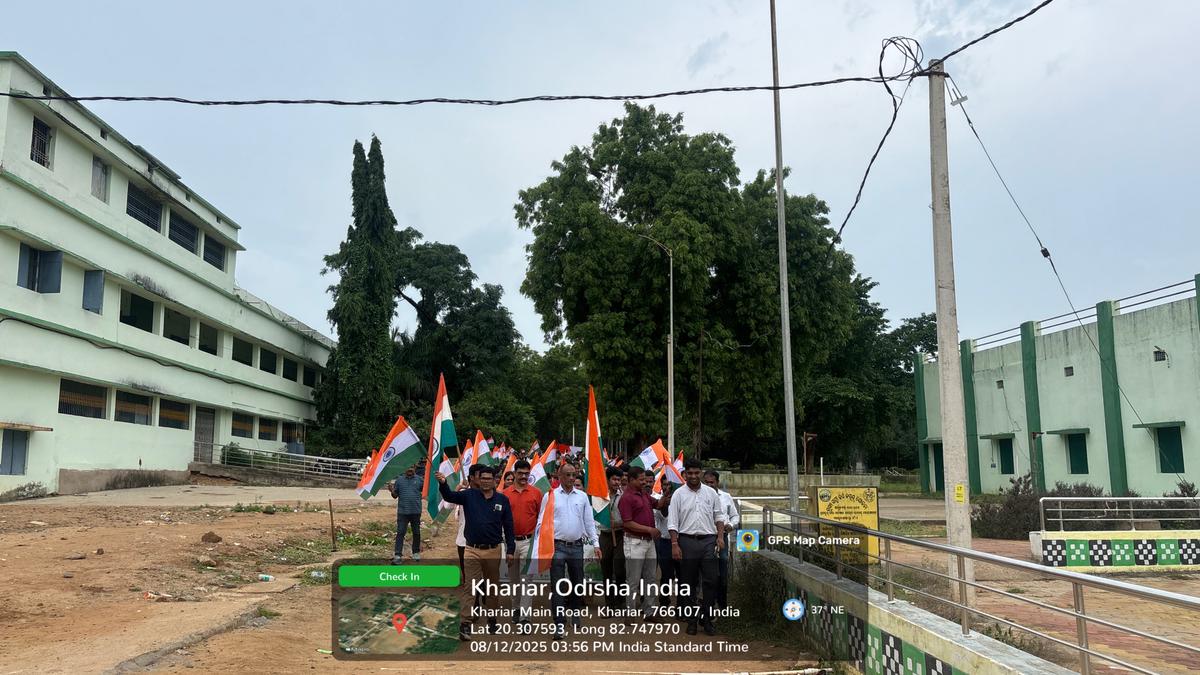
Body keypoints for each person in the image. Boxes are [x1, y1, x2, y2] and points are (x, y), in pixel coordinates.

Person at [437, 465, 516, 641]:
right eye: (483, 478)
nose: (486, 482)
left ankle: (492, 619)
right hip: (471, 549)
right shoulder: (469, 495)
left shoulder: (502, 500)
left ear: (495, 481)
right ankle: (465, 624)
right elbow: (450, 496)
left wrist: (510, 550)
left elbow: (509, 526)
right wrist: (443, 484)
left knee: (492, 588)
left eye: (490, 479)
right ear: (478, 480)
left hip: (494, 550)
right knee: (469, 587)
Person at [668, 458, 724, 636]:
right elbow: (673, 522)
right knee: (688, 583)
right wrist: (675, 545)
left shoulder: (711, 493)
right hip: (687, 542)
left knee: (710, 581)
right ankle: (691, 620)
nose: (693, 476)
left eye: (696, 473)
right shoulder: (678, 494)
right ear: (685, 474)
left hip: (708, 541)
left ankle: (706, 620)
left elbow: (719, 516)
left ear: (701, 472)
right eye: (689, 473)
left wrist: (720, 537)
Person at [545, 462, 599, 639]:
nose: (570, 478)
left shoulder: (582, 497)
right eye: (567, 475)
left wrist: (596, 544)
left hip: (577, 547)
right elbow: (542, 522)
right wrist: (541, 545)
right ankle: (559, 624)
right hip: (557, 547)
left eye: (573, 475)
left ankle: (575, 612)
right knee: (558, 586)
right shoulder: (550, 496)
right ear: (559, 476)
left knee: (578, 583)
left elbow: (589, 522)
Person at [501, 459, 542, 623]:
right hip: (510, 543)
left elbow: (540, 518)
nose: (524, 476)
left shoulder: (536, 493)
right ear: (514, 473)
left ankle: (525, 616)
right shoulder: (504, 494)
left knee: (527, 579)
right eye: (521, 473)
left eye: (527, 473)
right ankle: (516, 609)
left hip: (528, 542)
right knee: (513, 580)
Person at [618, 466, 658, 620]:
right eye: (641, 479)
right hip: (634, 542)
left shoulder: (644, 494)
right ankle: (629, 613)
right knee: (633, 580)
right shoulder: (626, 498)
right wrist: (649, 529)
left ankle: (649, 612)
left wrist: (667, 496)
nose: (644, 482)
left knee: (651, 578)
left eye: (645, 479)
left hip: (648, 542)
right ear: (631, 480)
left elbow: (658, 504)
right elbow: (627, 523)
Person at [703, 469, 740, 609]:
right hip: (705, 538)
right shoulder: (699, 497)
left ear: (717, 482)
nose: (709, 485)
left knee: (722, 573)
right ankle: (707, 605)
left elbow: (735, 516)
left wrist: (730, 525)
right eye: (706, 482)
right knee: (707, 574)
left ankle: (723, 606)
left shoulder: (726, 497)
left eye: (711, 482)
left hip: (722, 537)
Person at [598, 466, 626, 609]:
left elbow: (627, 519)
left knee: (620, 570)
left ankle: (621, 601)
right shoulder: (600, 497)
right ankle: (609, 604)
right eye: (614, 479)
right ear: (607, 480)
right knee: (606, 570)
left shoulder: (623, 497)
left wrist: (618, 523)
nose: (617, 482)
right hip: (605, 536)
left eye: (619, 480)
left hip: (620, 535)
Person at [388, 465, 424, 564]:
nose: (410, 469)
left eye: (412, 467)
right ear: (404, 469)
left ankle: (416, 552)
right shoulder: (399, 481)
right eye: (408, 467)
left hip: (416, 511)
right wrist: (392, 491)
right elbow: (395, 496)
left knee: (416, 532)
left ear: (415, 467)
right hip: (403, 512)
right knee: (400, 533)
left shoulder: (420, 480)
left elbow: (425, 492)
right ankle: (398, 555)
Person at [653, 481, 677, 610]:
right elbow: (663, 514)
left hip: (681, 542)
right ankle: (664, 600)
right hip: (665, 542)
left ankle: (682, 605)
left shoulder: (680, 499)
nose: (667, 487)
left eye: (669, 485)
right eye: (664, 485)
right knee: (666, 574)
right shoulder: (658, 501)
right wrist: (665, 501)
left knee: (682, 574)